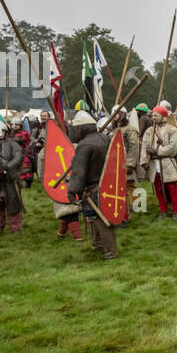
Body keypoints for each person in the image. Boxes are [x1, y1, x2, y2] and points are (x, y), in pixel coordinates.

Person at [67, 110, 117, 259]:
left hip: (93, 188)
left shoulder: (85, 145)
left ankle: (110, 251)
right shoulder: (106, 139)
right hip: (108, 185)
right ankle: (98, 245)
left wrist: (72, 189)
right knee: (95, 217)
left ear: (81, 128)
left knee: (100, 219)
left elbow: (79, 172)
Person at [143, 104, 177, 220]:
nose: (153, 117)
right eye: (153, 115)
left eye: (156, 115)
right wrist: (144, 161)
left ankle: (176, 211)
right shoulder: (150, 131)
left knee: (172, 189)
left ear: (162, 116)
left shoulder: (172, 130)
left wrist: (156, 151)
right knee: (158, 189)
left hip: (167, 162)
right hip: (154, 164)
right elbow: (145, 146)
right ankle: (163, 210)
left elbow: (172, 147)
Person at [10, 119, 35, 188]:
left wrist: (8, 139)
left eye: (16, 125)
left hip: (25, 153)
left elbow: (18, 139)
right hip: (14, 153)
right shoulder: (10, 134)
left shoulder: (25, 133)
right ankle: (19, 182)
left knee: (25, 166)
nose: (14, 126)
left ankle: (28, 182)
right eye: (12, 125)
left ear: (20, 126)